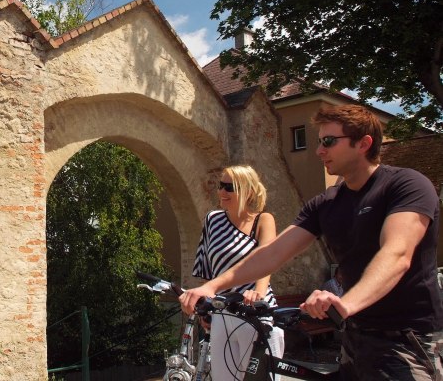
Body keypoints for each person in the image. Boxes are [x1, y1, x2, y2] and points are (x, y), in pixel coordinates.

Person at [180, 105, 442, 380]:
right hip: (355, 338)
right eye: (318, 142)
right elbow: (272, 253)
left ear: (364, 143)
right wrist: (212, 286)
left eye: (328, 141)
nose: (319, 150)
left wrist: (345, 304)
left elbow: (397, 254)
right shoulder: (325, 203)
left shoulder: (406, 185)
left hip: (408, 340)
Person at [192, 165, 284, 380]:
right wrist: (205, 306)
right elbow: (207, 267)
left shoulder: (263, 220)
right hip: (222, 313)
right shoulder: (212, 220)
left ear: (248, 191)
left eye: (229, 187)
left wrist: (258, 293)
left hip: (254, 312)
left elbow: (266, 259)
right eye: (220, 186)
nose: (222, 192)